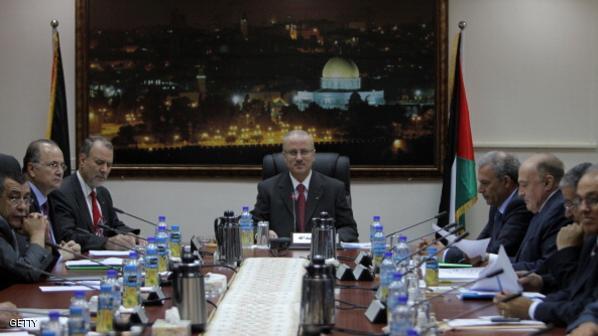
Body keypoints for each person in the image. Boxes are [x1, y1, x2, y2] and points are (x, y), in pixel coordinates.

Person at [496, 165, 598, 327]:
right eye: (579, 201)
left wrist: (532, 308)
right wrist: (541, 283)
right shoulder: (592, 238)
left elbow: (582, 304)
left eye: (593, 200)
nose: (582, 209)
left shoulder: (576, 229)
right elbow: (575, 292)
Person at [252, 130, 358, 242]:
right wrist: (263, 232)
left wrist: (330, 238)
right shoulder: (268, 189)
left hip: (322, 255)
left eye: (304, 152)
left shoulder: (334, 188)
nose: (299, 158)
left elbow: (349, 229)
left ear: (313, 155)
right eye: (293, 152)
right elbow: (252, 224)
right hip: (282, 256)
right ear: (284, 157)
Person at [49, 136, 138, 251]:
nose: (104, 170)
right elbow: (68, 235)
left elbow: (114, 225)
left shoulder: (103, 193)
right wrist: (105, 243)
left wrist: (131, 235)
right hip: (78, 263)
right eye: (99, 163)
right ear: (82, 160)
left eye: (109, 165)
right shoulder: (62, 192)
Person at [444, 151, 532, 263]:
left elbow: (497, 251)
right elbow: (480, 244)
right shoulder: (497, 203)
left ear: (506, 182)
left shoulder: (520, 205)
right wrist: (445, 250)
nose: (480, 190)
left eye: (485, 183)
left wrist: (446, 254)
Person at [519, 162, 592, 294]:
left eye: (572, 203)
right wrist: (541, 282)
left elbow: (579, 297)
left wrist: (566, 251)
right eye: (577, 201)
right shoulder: (589, 236)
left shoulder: (588, 236)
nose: (567, 214)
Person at [510, 153, 570, 271]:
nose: (520, 193)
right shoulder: (543, 208)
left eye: (524, 185)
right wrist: (491, 262)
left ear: (548, 182)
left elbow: (548, 265)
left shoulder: (559, 211)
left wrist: (502, 269)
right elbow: (524, 259)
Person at [22, 139, 81, 260]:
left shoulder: (52, 198)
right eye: (53, 165)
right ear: (32, 169)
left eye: (62, 166)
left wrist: (65, 248)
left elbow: (52, 245)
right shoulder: (23, 202)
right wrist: (59, 257)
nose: (60, 172)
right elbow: (28, 256)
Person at [0, 170, 56, 290]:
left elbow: (41, 274)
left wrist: (45, 242)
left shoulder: (15, 226)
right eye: (14, 198)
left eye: (26, 199)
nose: (23, 207)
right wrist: (37, 235)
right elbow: (26, 274)